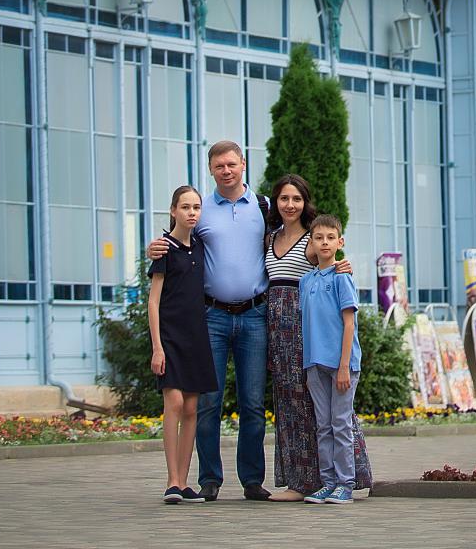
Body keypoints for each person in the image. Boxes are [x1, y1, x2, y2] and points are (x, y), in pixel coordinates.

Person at [146, 141, 351, 501]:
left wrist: (341, 265)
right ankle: (210, 478)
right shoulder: (202, 209)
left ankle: (252, 480)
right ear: (211, 170)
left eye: (232, 164)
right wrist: (154, 248)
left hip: (256, 315)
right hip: (211, 316)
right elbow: (178, 242)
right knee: (208, 401)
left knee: (253, 402)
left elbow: (313, 236)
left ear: (243, 164)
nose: (226, 171)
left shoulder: (264, 208)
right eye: (219, 166)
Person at [262, 174, 371, 501]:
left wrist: (344, 265)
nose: (290, 204)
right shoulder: (269, 238)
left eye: (296, 199)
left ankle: (347, 479)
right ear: (276, 202)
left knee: (334, 417)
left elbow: (330, 264)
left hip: (308, 330)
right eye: (283, 198)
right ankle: (304, 480)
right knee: (295, 408)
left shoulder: (312, 239)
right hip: (280, 332)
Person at [148, 186, 217, 504]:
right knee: (174, 404)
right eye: (185, 207)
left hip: (197, 337)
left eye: (197, 207)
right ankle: (171, 481)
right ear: (173, 210)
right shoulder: (164, 249)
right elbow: (154, 301)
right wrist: (157, 347)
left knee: (192, 408)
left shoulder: (200, 246)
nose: (192, 212)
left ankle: (184, 482)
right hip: (170, 338)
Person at [299, 215, 361, 505]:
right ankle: (328, 481)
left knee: (340, 423)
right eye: (319, 237)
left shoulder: (342, 277)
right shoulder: (306, 280)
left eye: (330, 237)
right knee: (322, 425)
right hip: (314, 363)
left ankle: (345, 484)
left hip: (341, 366)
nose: (324, 242)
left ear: (340, 241)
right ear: (311, 241)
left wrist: (344, 366)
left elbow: (349, 324)